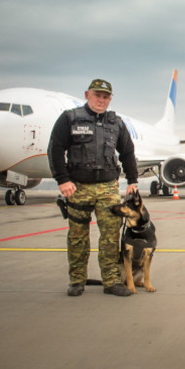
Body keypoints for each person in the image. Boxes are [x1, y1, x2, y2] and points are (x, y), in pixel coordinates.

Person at [48, 78, 140, 296]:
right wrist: (62, 179)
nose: (101, 100)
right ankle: (77, 280)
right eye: (97, 95)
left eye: (106, 96)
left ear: (110, 99)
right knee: (77, 236)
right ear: (87, 94)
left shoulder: (116, 123)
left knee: (110, 235)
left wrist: (133, 181)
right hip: (78, 186)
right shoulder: (70, 118)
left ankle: (111, 282)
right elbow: (55, 149)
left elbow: (127, 152)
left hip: (108, 187)